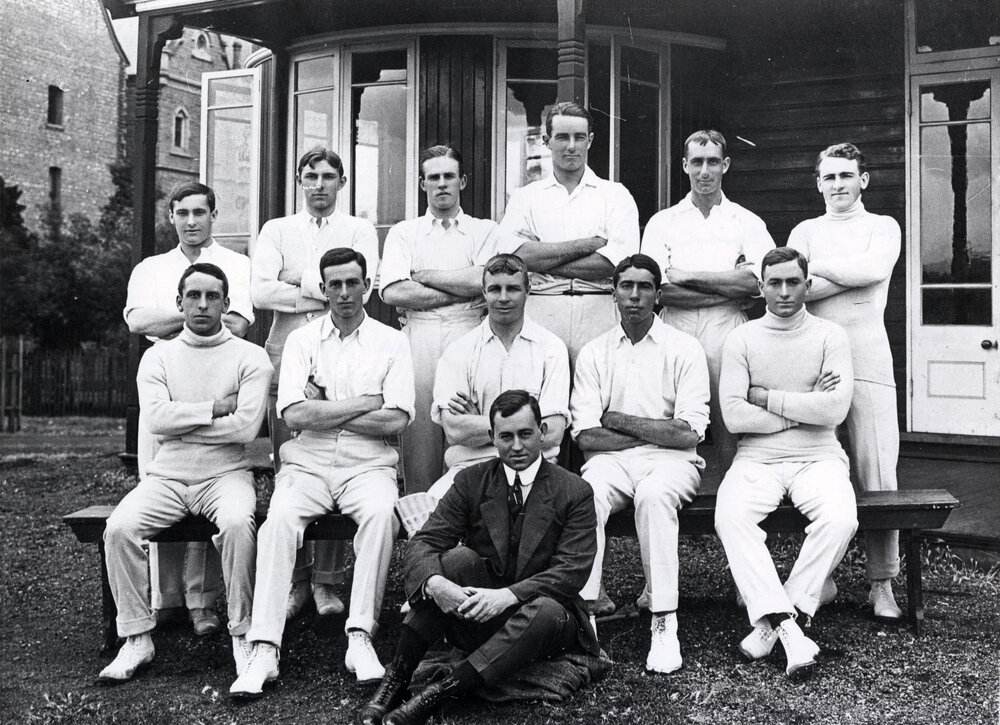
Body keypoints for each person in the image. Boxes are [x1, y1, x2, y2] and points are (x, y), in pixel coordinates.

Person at [231, 248, 414, 697]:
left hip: (368, 462)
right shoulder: (302, 341)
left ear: (367, 287)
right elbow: (293, 415)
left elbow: (396, 421)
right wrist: (366, 402)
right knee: (278, 521)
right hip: (307, 462)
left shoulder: (393, 342)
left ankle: (360, 636)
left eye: (353, 283)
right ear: (324, 288)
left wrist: (325, 407)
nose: (345, 293)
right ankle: (264, 646)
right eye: (335, 284)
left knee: (379, 516)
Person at [356, 390, 599, 725]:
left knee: (546, 610)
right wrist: (436, 584)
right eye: (506, 437)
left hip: (548, 624)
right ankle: (395, 681)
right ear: (491, 438)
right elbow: (424, 542)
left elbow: (571, 571)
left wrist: (506, 597)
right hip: (480, 614)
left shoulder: (574, 490)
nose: (517, 446)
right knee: (453, 562)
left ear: (542, 432)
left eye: (526, 434)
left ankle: (439, 692)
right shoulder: (471, 480)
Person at [100, 263, 272, 682]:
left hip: (226, 474)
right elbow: (157, 420)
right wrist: (214, 408)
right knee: (118, 528)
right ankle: (137, 637)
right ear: (179, 303)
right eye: (193, 296)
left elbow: (247, 427)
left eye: (212, 296)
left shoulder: (251, 356)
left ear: (227, 304)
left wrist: (186, 425)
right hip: (167, 476)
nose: (202, 304)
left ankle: (242, 633)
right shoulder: (157, 356)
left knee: (236, 523)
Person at [714, 247, 858, 679]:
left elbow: (834, 411)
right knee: (730, 516)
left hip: (819, 455)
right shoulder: (741, 338)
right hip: (756, 458)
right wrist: (805, 403)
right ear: (760, 288)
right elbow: (735, 416)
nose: (783, 292)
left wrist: (768, 398)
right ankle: (792, 628)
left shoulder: (831, 336)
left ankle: (776, 622)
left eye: (792, 282)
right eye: (773, 283)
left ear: (807, 285)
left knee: (840, 519)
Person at [251, 146, 380, 620]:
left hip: (340, 346)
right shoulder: (277, 229)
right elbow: (260, 290)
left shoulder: (359, 229)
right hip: (287, 347)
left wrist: (297, 278)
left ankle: (327, 582)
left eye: (328, 176)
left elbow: (366, 281)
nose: (319, 184)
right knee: (294, 461)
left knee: (336, 446)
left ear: (342, 182)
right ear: (300, 180)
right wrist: (320, 286)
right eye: (311, 175)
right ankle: (296, 580)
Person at [123, 182, 256, 636]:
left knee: (211, 492)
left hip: (218, 369)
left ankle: (202, 602)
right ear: (172, 217)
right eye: (183, 212)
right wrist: (198, 313)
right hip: (166, 377)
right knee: (160, 489)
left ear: (214, 215)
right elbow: (138, 321)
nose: (191, 221)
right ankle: (167, 599)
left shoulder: (237, 264)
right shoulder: (151, 267)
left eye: (200, 212)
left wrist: (180, 315)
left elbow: (236, 322)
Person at [570, 253, 710, 674]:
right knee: (585, 495)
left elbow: (688, 433)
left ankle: (664, 622)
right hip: (609, 462)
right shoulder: (594, 352)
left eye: (644, 286)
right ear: (613, 293)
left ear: (659, 294)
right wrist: (653, 429)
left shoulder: (684, 348)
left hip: (671, 463)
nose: (634, 295)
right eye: (626, 286)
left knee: (653, 496)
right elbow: (586, 436)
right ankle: (585, 618)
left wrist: (620, 420)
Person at [787, 142, 903, 620]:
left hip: (869, 355)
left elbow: (873, 270)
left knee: (877, 468)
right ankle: (824, 575)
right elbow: (796, 286)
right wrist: (834, 279)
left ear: (864, 180)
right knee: (817, 466)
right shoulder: (805, 230)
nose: (838, 184)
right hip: (817, 360)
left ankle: (883, 584)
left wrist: (822, 273)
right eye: (829, 177)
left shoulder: (883, 228)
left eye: (847, 175)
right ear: (818, 183)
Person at [380, 146, 522, 493]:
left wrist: (424, 275)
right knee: (421, 440)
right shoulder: (404, 232)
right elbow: (394, 292)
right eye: (434, 177)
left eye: (449, 176)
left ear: (462, 181)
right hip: (420, 336)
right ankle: (422, 526)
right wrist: (465, 286)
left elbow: (485, 280)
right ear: (422, 183)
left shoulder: (485, 230)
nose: (442, 184)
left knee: (468, 428)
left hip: (470, 330)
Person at [642, 130, 775, 472]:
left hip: (727, 329)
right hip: (676, 327)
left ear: (725, 165)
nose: (705, 171)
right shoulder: (663, 222)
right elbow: (661, 291)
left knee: (730, 421)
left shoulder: (747, 221)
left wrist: (685, 275)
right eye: (697, 162)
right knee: (672, 420)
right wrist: (729, 283)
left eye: (713, 162)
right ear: (685, 165)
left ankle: (732, 504)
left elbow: (756, 282)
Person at [499, 101, 640, 366]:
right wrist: (591, 244)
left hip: (599, 313)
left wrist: (543, 258)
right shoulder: (525, 198)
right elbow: (514, 259)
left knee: (597, 401)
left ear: (590, 140)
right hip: (541, 312)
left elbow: (617, 265)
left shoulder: (616, 195)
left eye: (579, 137)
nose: (571, 146)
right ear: (546, 141)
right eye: (562, 137)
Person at [426, 253, 569, 501]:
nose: (503, 298)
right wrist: (527, 427)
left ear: (528, 289)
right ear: (483, 291)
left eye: (512, 288)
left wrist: (479, 421)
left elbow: (554, 431)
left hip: (535, 470)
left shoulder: (551, 349)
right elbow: (454, 431)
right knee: (431, 513)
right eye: (495, 289)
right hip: (470, 468)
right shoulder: (459, 351)